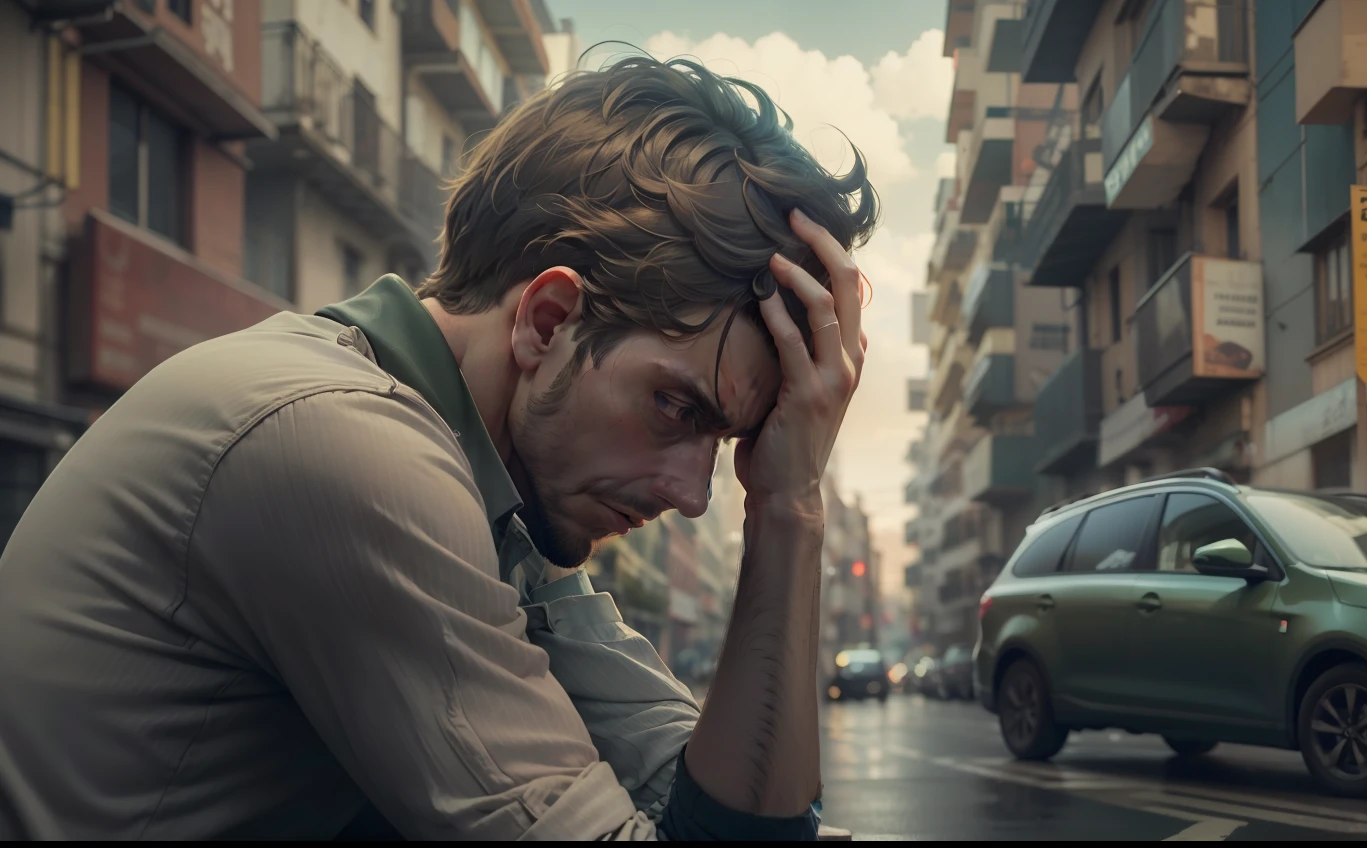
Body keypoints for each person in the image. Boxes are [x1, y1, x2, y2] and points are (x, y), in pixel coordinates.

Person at [0, 55, 877, 840]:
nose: (695, 493)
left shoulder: (492, 487)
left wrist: (788, 489)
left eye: (724, 443)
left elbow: (689, 788)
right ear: (548, 319)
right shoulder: (345, 447)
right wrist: (789, 517)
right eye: (677, 410)